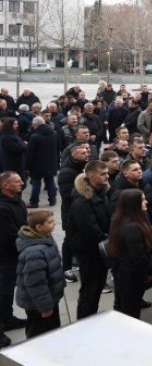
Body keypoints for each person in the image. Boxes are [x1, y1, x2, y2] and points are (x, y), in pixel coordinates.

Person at [66, 161, 111, 319]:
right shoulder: (82, 201)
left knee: (96, 288)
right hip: (89, 252)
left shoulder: (100, 194)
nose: (107, 176)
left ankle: (91, 319)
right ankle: (84, 321)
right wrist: (106, 239)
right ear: (92, 176)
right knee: (89, 291)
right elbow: (90, 229)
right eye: (103, 174)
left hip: (98, 251)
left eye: (107, 173)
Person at [14, 209, 65, 340]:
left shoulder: (45, 237)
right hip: (39, 305)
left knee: (51, 330)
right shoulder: (34, 253)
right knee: (38, 335)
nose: (54, 224)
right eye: (50, 222)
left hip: (48, 298)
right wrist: (45, 307)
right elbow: (36, 284)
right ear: (39, 227)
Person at [106, 189, 152, 319]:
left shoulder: (120, 220)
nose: (146, 202)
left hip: (123, 272)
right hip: (130, 275)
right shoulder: (132, 227)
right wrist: (150, 270)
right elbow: (138, 255)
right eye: (143, 200)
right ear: (134, 204)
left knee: (123, 306)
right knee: (131, 311)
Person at [0, 172, 27, 344]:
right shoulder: (2, 208)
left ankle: (7, 319)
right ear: (5, 186)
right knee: (3, 290)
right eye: (17, 181)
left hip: (16, 253)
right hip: (5, 256)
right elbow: (9, 234)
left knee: (8, 289)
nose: (22, 183)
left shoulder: (17, 200)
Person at [26, 117, 59, 208]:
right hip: (51, 162)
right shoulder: (54, 134)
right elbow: (57, 148)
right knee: (50, 181)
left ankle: (34, 202)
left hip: (37, 164)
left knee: (36, 183)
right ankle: (52, 200)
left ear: (35, 124)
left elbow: (30, 153)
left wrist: (27, 166)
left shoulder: (34, 137)